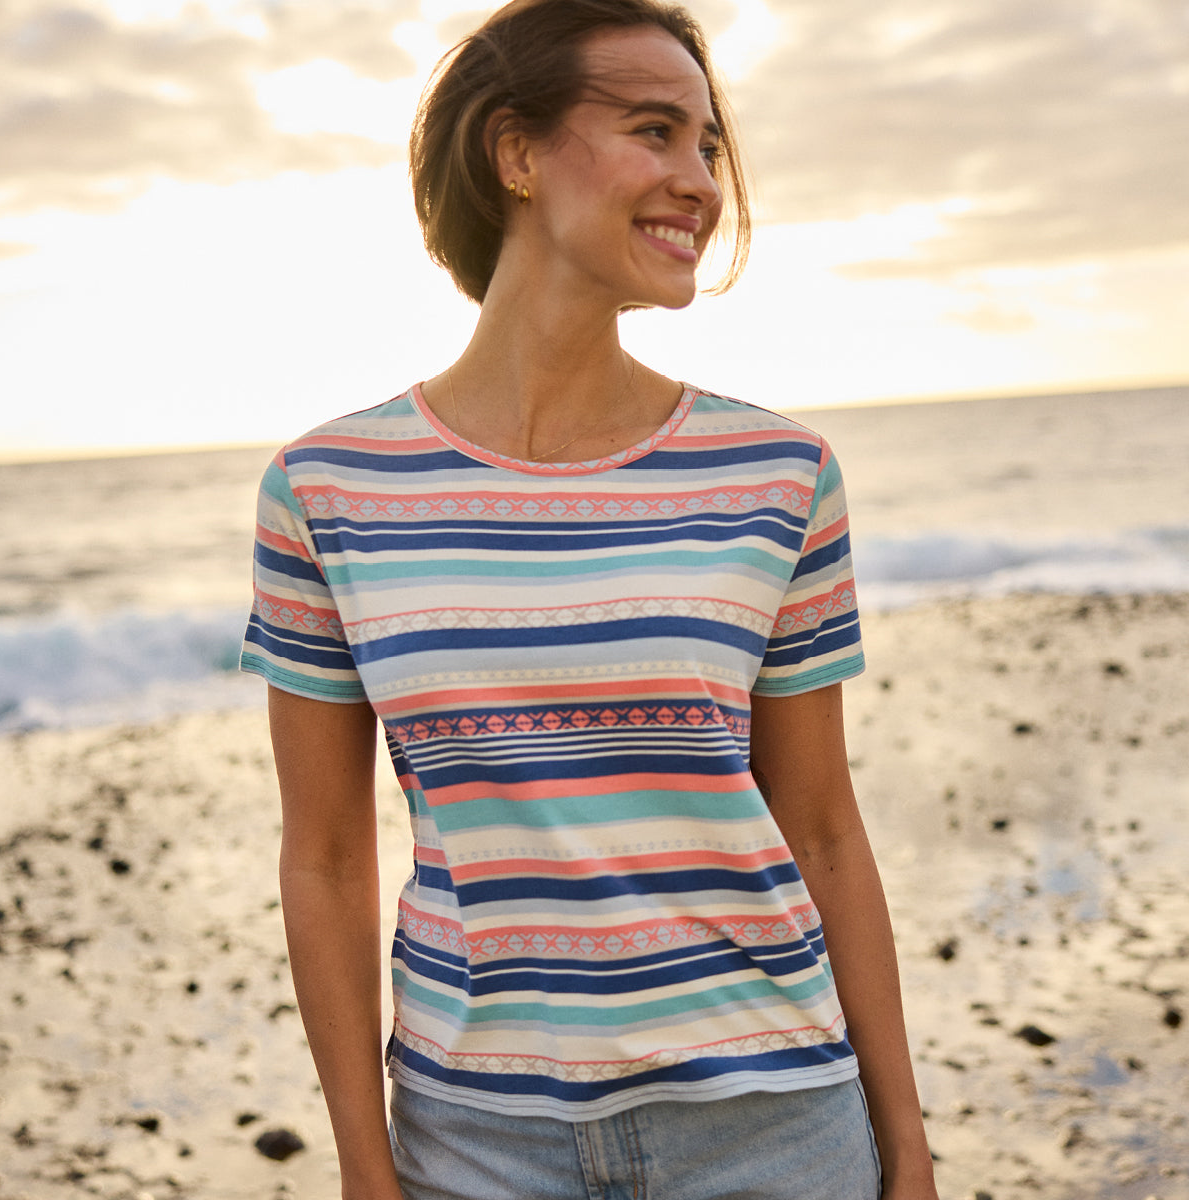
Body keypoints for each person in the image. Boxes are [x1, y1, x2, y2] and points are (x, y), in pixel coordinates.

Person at [241, 1, 940, 1196]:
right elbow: (325, 860)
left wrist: (907, 1151)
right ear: (515, 153)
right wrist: (364, 1162)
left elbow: (823, 827)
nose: (700, 181)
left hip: (776, 1125)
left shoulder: (778, 475)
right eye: (654, 131)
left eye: (708, 146)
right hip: (476, 1141)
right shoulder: (327, 489)